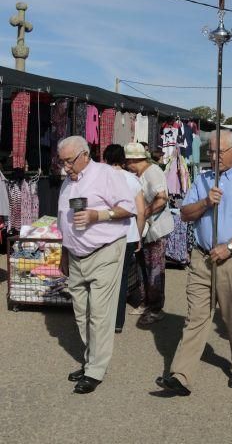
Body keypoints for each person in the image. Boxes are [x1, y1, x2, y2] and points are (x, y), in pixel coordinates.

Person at [155, 130, 232, 396]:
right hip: (201, 258)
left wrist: (229, 247)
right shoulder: (203, 180)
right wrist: (206, 202)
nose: (213, 156)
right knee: (196, 317)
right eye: (211, 151)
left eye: (219, 152)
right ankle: (181, 375)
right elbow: (185, 213)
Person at [57, 136, 135, 394]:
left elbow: (128, 208)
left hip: (104, 252)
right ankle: (91, 358)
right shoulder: (68, 181)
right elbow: (64, 220)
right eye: (63, 161)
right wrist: (64, 253)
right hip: (76, 256)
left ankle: (95, 370)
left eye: (69, 161)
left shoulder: (106, 174)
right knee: (82, 313)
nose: (65, 166)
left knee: (100, 314)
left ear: (84, 155)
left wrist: (97, 215)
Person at [124, 142, 174, 326]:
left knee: (154, 268)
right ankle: (146, 302)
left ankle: (155, 308)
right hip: (145, 228)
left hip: (155, 229)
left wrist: (144, 213)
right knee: (142, 266)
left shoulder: (153, 172)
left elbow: (162, 198)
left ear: (133, 160)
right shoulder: (140, 174)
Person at [103, 144, 145, 332]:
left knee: (103, 279)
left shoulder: (100, 178)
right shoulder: (133, 180)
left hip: (105, 234)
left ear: (105, 158)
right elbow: (141, 211)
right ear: (123, 159)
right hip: (128, 235)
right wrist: (139, 234)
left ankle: (101, 320)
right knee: (120, 280)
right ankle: (117, 322)